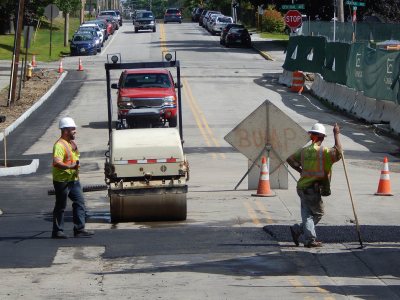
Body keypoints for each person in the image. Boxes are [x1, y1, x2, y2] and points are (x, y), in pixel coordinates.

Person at [286, 123, 342, 248]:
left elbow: (289, 158)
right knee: (318, 214)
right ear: (322, 137)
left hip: (301, 187)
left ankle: (307, 237)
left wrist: (299, 170)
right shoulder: (324, 152)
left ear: (312, 136)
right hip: (312, 188)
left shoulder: (303, 151)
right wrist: (336, 133)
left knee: (307, 214)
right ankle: (303, 234)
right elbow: (338, 152)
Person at [51, 117, 94, 239]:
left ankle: (79, 229)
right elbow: (57, 162)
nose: (75, 131)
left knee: (79, 202)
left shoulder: (71, 143)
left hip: (73, 180)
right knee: (61, 205)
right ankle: (57, 231)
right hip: (62, 180)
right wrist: (70, 166)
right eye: (73, 129)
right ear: (65, 131)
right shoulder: (59, 145)